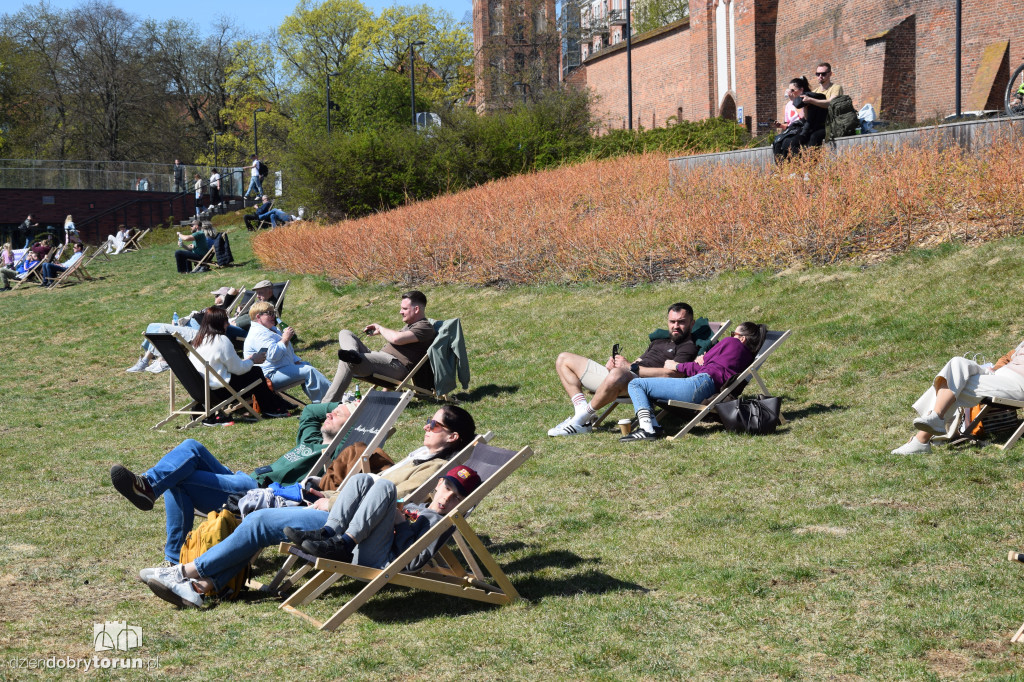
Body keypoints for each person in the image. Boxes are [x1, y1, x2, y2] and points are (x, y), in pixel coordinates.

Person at [110, 404, 475, 568]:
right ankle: (153, 495)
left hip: (335, 516)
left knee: (183, 481)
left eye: (434, 424)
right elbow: (313, 412)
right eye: (427, 421)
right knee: (189, 449)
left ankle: (182, 564)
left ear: (452, 436)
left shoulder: (441, 472)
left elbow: (393, 502)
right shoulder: (414, 457)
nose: (426, 426)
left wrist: (327, 497)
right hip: (293, 490)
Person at [548, 302, 699, 437]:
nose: (676, 326)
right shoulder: (659, 342)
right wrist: (616, 366)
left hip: (643, 386)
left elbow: (673, 374)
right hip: (622, 378)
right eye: (672, 321)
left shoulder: (688, 347)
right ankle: (582, 413)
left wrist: (629, 368)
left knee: (619, 373)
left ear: (691, 324)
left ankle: (579, 421)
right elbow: (638, 362)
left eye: (681, 322)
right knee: (564, 359)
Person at [620, 321, 763, 441]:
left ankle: (647, 429)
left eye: (734, 334)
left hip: (699, 384)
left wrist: (677, 365)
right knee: (645, 386)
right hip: (709, 390)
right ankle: (652, 427)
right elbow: (704, 365)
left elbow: (700, 365)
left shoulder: (731, 343)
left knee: (636, 383)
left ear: (742, 338)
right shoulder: (748, 358)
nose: (731, 336)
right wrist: (702, 363)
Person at [891, 341, 1024, 455]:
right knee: (957, 363)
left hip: (1018, 383)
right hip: (999, 375)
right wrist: (994, 369)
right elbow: (1009, 357)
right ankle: (935, 419)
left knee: (956, 383)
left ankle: (922, 437)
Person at [324, 290, 438, 403]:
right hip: (382, 360)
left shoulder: (425, 327)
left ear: (416, 309)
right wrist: (385, 391)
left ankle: (326, 404)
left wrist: (380, 328)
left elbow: (396, 339)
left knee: (347, 361)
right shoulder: (411, 326)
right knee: (345, 333)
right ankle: (352, 354)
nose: (400, 312)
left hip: (395, 365)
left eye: (404, 309)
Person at [187, 307, 291, 422]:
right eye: (226, 321)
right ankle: (271, 408)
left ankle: (275, 405)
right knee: (255, 372)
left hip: (203, 391)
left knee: (252, 372)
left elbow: (220, 366)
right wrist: (253, 361)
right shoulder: (221, 340)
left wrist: (248, 360)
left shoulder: (198, 340)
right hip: (220, 391)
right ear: (219, 323)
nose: (228, 325)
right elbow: (238, 370)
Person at [244, 300, 331, 402]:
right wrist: (285, 339)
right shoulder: (259, 334)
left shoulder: (271, 329)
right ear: (258, 317)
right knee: (308, 371)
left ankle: (327, 398)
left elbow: (286, 349)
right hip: (269, 376)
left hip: (280, 369)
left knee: (307, 366)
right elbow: (273, 355)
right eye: (270, 313)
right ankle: (331, 399)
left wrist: (295, 360)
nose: (274, 316)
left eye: (274, 313)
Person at [774, 77, 826, 159]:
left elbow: (803, 117)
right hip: (794, 128)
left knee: (790, 142)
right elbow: (788, 123)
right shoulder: (790, 104)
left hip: (804, 128)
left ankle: (797, 166)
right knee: (777, 142)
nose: (790, 93)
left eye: (792, 90)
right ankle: (782, 168)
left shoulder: (806, 99)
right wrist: (780, 125)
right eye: (789, 90)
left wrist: (794, 102)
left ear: (801, 90)